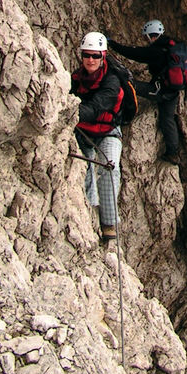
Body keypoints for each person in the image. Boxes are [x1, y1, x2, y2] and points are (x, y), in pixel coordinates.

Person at [70, 31, 124, 243]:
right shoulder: (76, 78)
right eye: (87, 55)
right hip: (84, 132)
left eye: (95, 56)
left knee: (110, 167)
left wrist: (69, 109)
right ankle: (90, 211)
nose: (90, 60)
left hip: (108, 131)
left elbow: (96, 107)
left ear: (103, 57)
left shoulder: (112, 82)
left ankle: (109, 221)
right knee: (86, 168)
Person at [107, 19, 181, 165]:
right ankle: (173, 153)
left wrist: (112, 44)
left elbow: (134, 53)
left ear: (151, 36)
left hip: (159, 91)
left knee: (128, 84)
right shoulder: (173, 45)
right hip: (173, 91)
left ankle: (124, 115)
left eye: (146, 37)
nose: (146, 41)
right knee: (168, 120)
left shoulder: (155, 50)